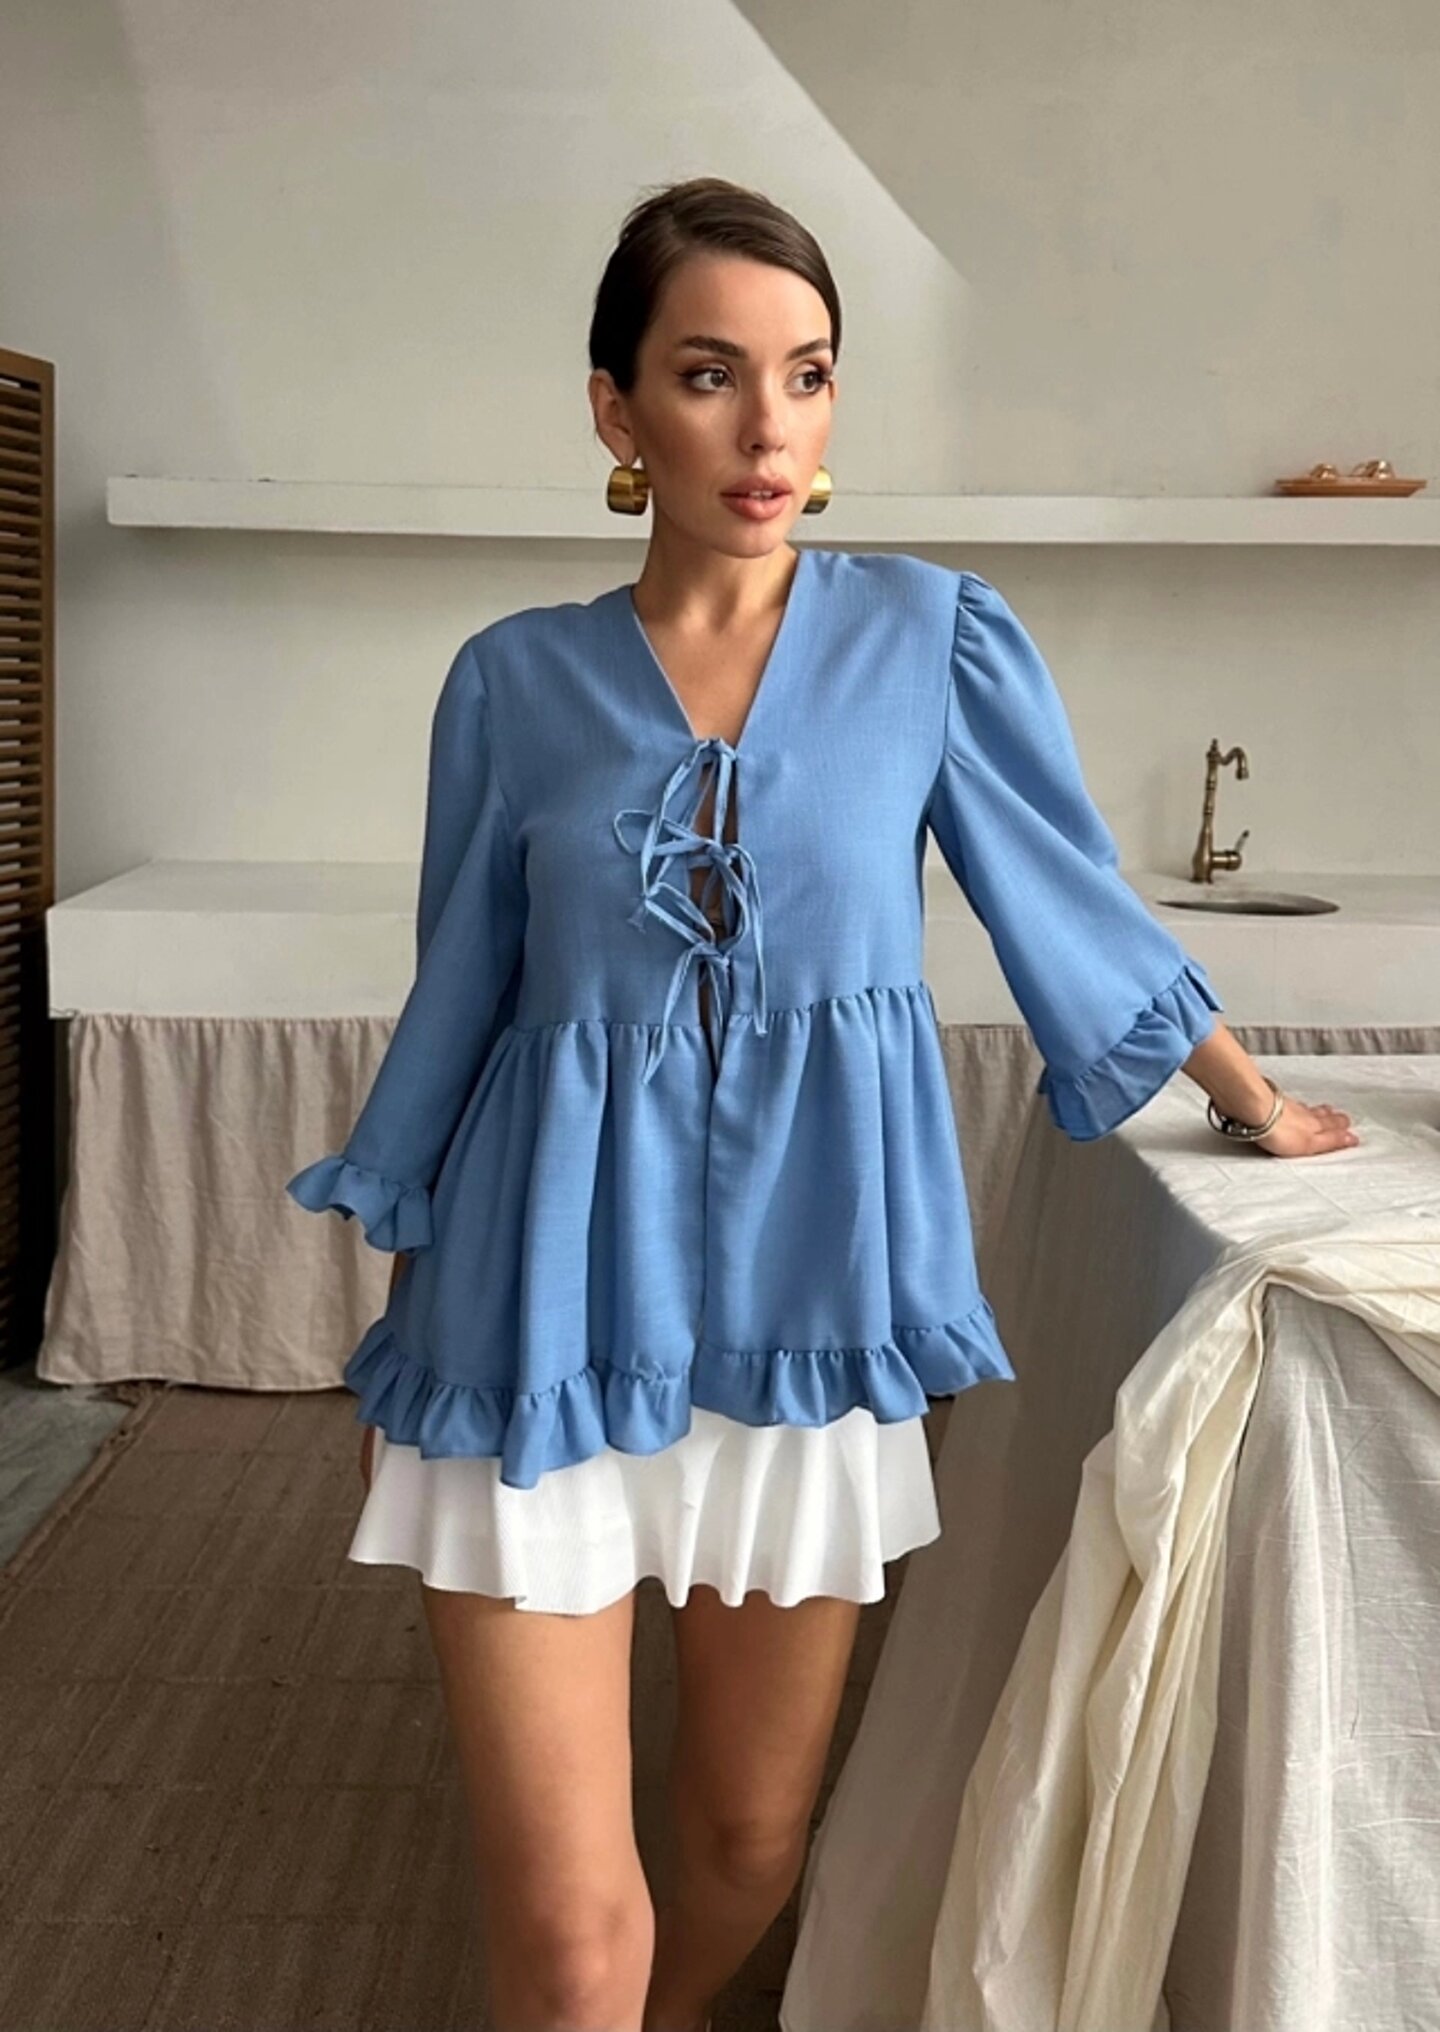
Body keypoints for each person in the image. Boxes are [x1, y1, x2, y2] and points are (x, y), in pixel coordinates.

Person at [287, 176, 1360, 2032]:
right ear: (619, 410)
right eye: (710, 375)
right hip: (530, 1315)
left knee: (745, 1847)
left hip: (810, 1310)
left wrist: (1248, 1097)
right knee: (571, 1941)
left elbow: (1066, 898)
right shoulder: (512, 682)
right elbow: (461, 997)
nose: (767, 428)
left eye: (808, 374)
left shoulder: (928, 640)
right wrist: (409, 1338)